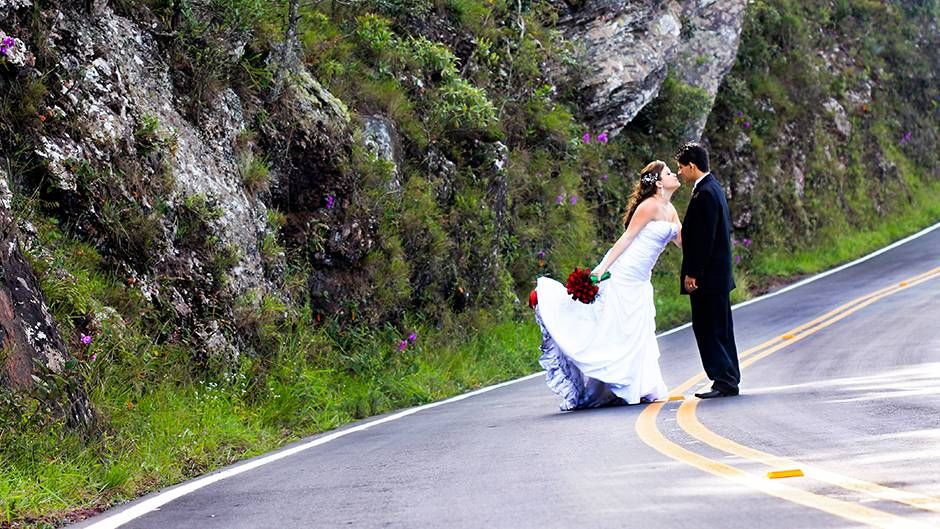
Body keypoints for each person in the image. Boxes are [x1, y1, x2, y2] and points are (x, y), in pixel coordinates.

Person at [533, 161, 682, 410]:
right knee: (615, 327)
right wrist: (603, 267)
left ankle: (637, 384)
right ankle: (618, 381)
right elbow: (627, 238)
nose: (674, 174)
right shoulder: (649, 206)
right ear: (658, 183)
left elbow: (682, 242)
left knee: (636, 330)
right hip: (624, 273)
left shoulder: (671, 210)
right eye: (668, 173)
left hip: (642, 279)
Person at [675, 142, 741, 399]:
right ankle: (729, 377)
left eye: (681, 167)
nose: (680, 172)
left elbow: (703, 240)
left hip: (708, 278)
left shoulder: (704, 194)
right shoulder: (714, 188)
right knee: (721, 328)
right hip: (718, 276)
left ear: (692, 166)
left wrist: (692, 273)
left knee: (707, 328)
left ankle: (723, 380)